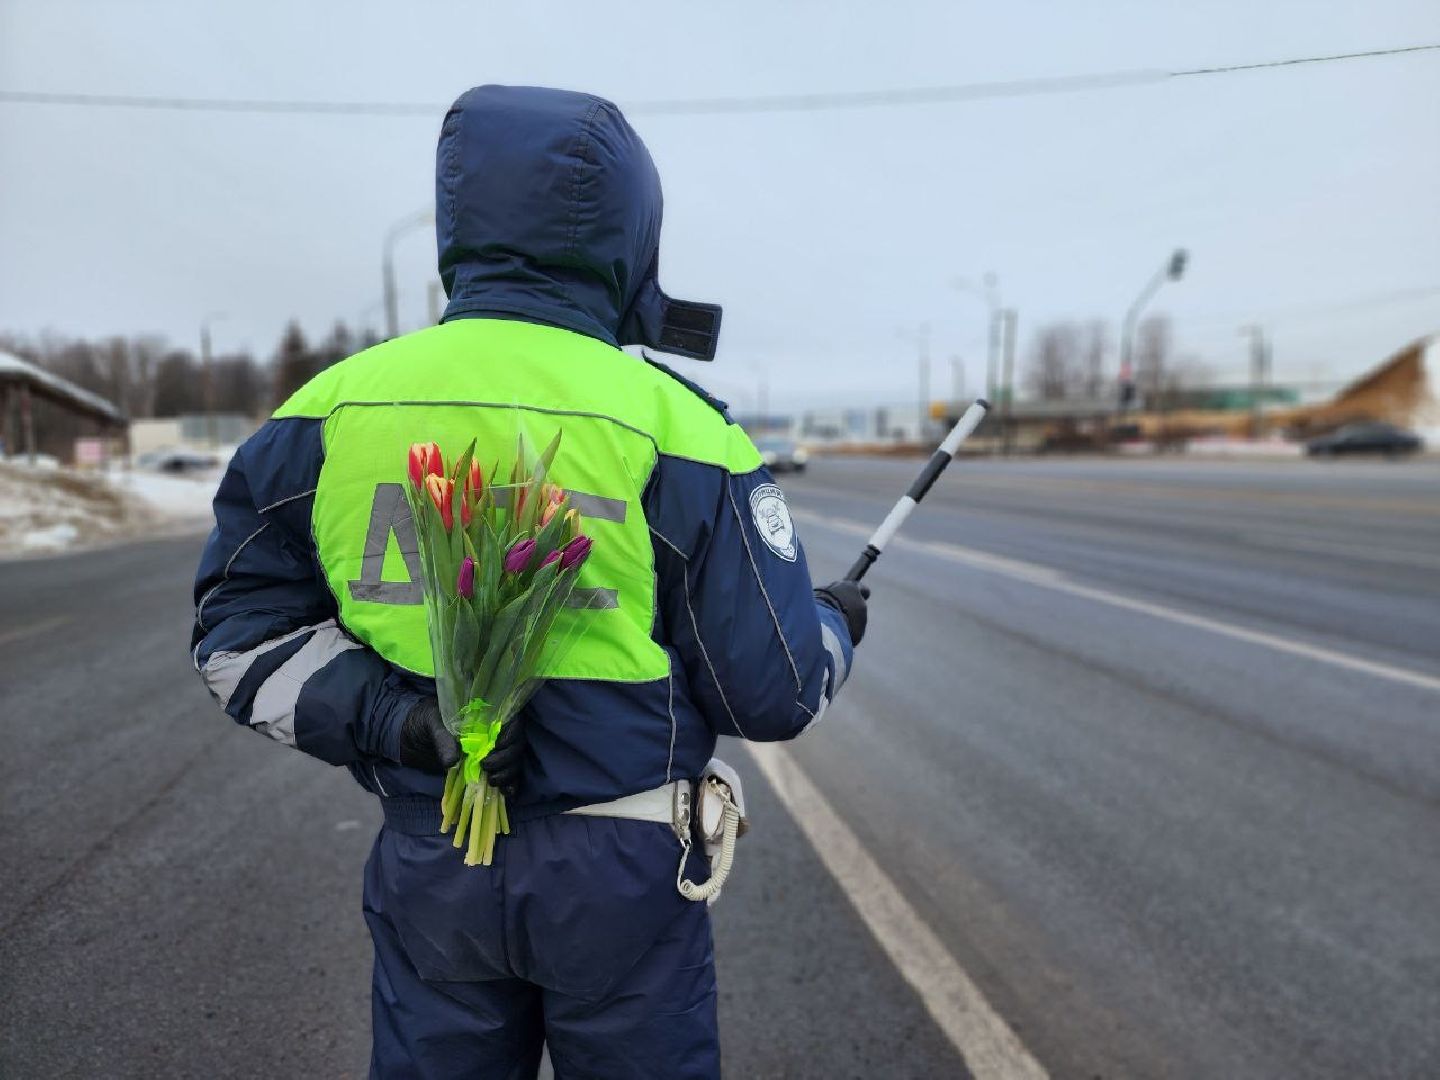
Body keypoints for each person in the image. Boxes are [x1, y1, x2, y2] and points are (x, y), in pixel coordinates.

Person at [191, 84, 868, 1080]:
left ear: (460, 226)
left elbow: (239, 636)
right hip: (624, 878)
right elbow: (771, 691)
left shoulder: (326, 414)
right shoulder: (678, 428)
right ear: (633, 240)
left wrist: (402, 721)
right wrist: (833, 627)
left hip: (435, 859)